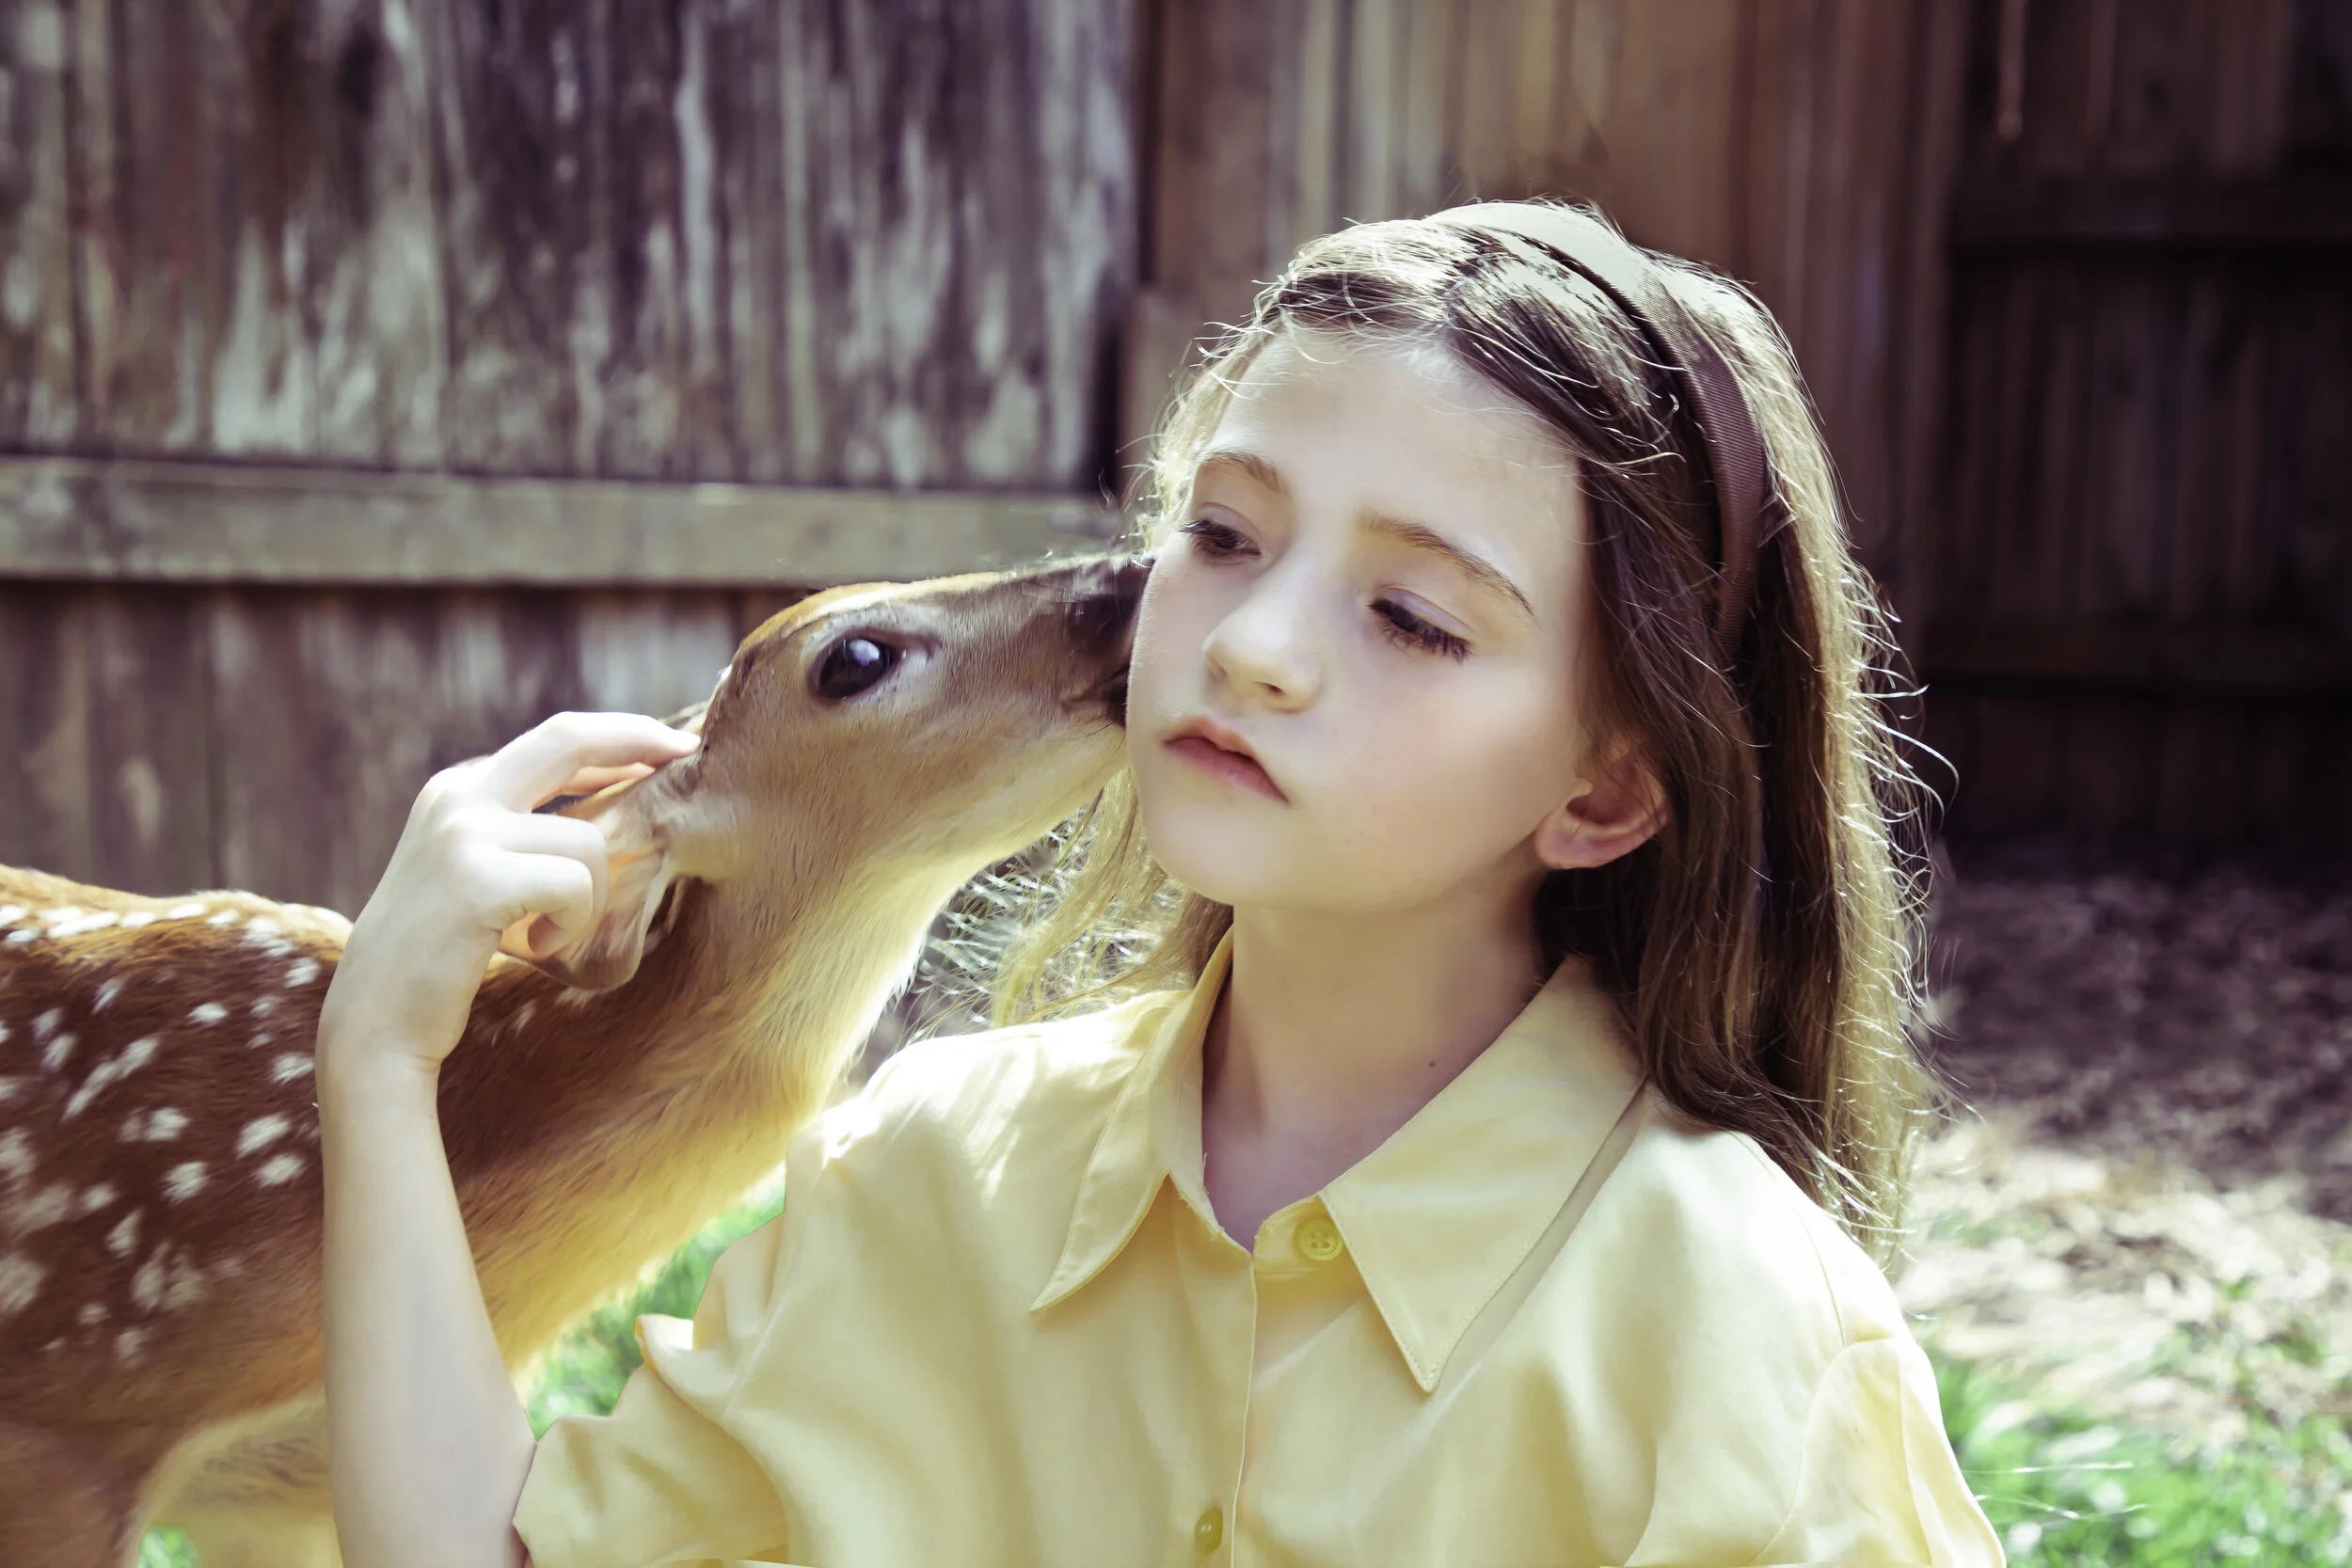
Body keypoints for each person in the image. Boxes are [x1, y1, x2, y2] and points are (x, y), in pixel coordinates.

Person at [319, 198, 2005, 1567]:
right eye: (1224, 534)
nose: (1254, 641)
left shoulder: (1749, 1336)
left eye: (1412, 617)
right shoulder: (929, 1171)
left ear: (1609, 787)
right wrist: (380, 1061)